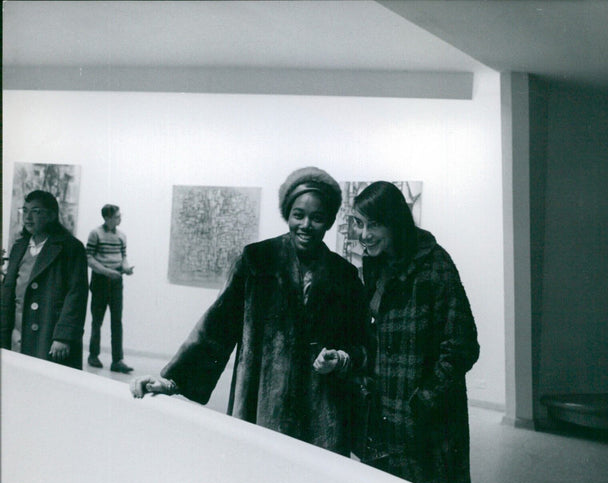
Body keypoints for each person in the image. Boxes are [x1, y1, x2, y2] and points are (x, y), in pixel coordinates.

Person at [130, 167, 368, 456]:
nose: (306, 224)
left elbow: (361, 343)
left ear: (330, 221)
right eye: (298, 215)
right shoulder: (258, 260)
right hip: (261, 409)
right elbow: (217, 328)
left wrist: (341, 359)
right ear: (287, 214)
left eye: (317, 218)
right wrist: (173, 380)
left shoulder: (344, 275)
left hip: (321, 421)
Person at [351, 181, 480, 483]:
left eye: (374, 224)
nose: (364, 234)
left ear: (395, 222)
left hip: (427, 427)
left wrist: (421, 402)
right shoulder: (375, 266)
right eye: (359, 223)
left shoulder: (435, 265)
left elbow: (462, 345)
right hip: (382, 422)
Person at [1, 190, 88, 369]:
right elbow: (8, 292)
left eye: (36, 211)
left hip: (49, 335)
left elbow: (77, 295)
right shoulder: (19, 247)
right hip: (16, 334)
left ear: (52, 215)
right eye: (24, 211)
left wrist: (64, 336)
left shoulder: (70, 248)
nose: (28, 217)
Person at [86, 204, 135, 373]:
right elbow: (89, 258)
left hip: (116, 282)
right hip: (100, 280)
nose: (120, 218)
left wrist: (126, 268)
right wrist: (107, 272)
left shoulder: (122, 236)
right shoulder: (95, 234)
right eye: (117, 216)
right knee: (97, 320)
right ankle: (93, 355)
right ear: (107, 218)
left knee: (117, 321)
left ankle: (117, 360)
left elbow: (123, 256)